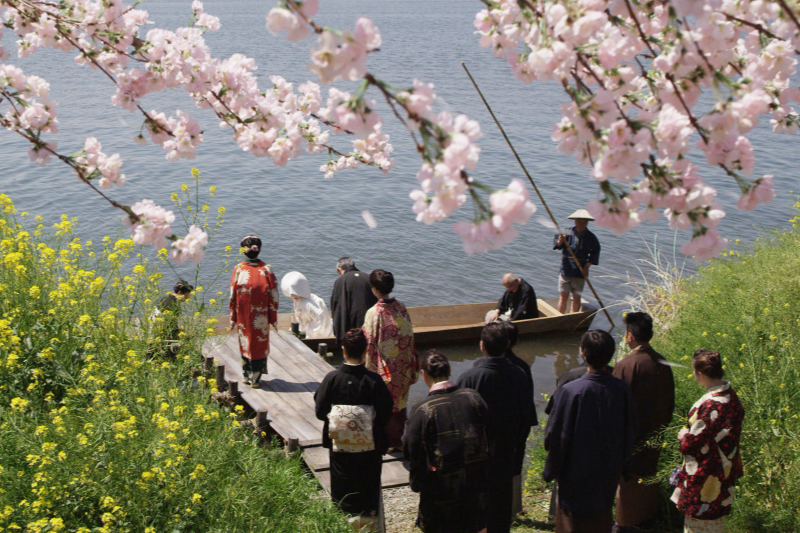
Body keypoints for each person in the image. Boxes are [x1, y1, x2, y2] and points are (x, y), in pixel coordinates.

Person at [544, 330, 634, 533]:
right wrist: (625, 466)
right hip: (607, 468)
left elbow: (556, 435)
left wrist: (551, 468)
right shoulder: (621, 389)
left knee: (570, 519)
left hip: (575, 469)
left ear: (583, 354)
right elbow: (629, 430)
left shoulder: (571, 391)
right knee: (601, 517)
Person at [457, 323, 533, 533]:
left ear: (482, 345)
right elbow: (526, 416)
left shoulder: (469, 377)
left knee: (476, 500)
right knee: (501, 499)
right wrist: (518, 445)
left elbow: (463, 419)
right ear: (507, 344)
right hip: (507, 448)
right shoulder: (519, 374)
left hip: (477, 452)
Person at [404, 350, 490, 533]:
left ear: (423, 374)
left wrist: (418, 483)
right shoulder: (473, 398)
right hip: (476, 484)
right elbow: (490, 435)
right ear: (449, 370)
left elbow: (413, 450)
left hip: (441, 491)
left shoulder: (422, 410)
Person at [314, 328, 394, 528]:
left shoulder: (332, 379)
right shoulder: (374, 381)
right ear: (366, 351)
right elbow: (386, 413)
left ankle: (343, 524)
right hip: (369, 447)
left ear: (343, 350)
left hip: (340, 446)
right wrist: (366, 423)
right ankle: (368, 524)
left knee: (342, 489)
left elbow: (319, 410)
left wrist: (341, 421)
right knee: (368, 487)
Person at [613, 312, 675, 532]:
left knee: (628, 484)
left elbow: (615, 406)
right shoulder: (662, 362)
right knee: (648, 476)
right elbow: (670, 402)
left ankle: (624, 524)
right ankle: (647, 519)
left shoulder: (627, 365)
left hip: (631, 437)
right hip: (656, 432)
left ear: (630, 336)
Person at [671, 350, 744, 533]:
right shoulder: (731, 396)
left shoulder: (711, 405)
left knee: (698, 526)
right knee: (715, 525)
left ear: (701, 374)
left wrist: (683, 436)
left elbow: (691, 445)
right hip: (724, 470)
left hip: (705, 477)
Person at [362, 269, 418, 449]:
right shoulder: (401, 307)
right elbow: (409, 337)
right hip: (402, 365)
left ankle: (384, 442)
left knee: (383, 406)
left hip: (384, 368)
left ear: (374, 289)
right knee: (400, 405)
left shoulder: (375, 313)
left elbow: (369, 343)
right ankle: (398, 441)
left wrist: (368, 370)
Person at [229, 235, 278, 389]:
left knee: (245, 343)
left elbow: (232, 295)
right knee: (258, 346)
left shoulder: (238, 269)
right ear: (259, 250)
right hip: (261, 316)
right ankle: (256, 379)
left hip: (244, 315)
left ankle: (246, 375)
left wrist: (233, 316)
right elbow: (274, 295)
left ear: (244, 251)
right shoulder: (266, 269)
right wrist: (273, 315)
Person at [501, 321, 538, 519]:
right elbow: (527, 401)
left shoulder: (487, 367)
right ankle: (515, 507)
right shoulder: (522, 366)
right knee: (516, 465)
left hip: (498, 427)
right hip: (518, 425)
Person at [553, 209, 600, 314]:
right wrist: (560, 241)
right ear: (575, 221)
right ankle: (560, 316)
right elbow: (557, 246)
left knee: (576, 297)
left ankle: (573, 316)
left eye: (583, 222)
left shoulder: (591, 238)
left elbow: (595, 253)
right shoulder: (566, 233)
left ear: (587, 223)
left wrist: (587, 266)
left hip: (580, 270)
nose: (580, 224)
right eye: (578, 221)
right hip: (566, 268)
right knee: (563, 296)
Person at [331, 257, 378, 346]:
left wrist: (339, 334)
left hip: (351, 330)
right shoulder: (368, 278)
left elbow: (337, 307)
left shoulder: (340, 281)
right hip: (369, 326)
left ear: (339, 269)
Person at [281, 271, 334, 339]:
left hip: (321, 334)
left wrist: (307, 333)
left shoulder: (308, 304)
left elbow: (320, 319)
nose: (293, 297)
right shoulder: (303, 300)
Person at [152, 280, 193, 357]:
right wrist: (182, 335)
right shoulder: (173, 305)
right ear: (180, 293)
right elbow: (171, 326)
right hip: (161, 335)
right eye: (187, 295)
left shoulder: (167, 298)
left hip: (156, 330)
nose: (189, 297)